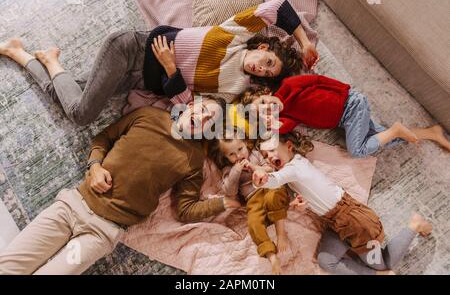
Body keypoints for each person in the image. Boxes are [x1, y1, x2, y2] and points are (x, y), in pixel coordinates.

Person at [0, 96, 241, 275]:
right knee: (8, 267)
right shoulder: (149, 115)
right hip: (72, 207)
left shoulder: (194, 160)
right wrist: (94, 166)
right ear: (190, 106)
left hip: (101, 232)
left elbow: (186, 209)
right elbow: (102, 139)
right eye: (202, 110)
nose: (202, 118)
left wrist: (223, 203)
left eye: (210, 120)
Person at [0, 0, 319, 125]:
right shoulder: (234, 34)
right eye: (265, 61)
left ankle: (24, 54)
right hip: (129, 49)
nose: (260, 68)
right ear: (262, 45)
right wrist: (303, 42)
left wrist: (171, 69)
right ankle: (51, 62)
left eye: (266, 72)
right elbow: (278, 6)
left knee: (67, 96)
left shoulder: (234, 87)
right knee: (83, 115)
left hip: (142, 80)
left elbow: (188, 103)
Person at [253, 132, 433, 275]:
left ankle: (414, 226)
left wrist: (262, 176)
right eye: (264, 155)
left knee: (383, 263)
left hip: (355, 222)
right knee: (325, 262)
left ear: (289, 146)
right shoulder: (296, 166)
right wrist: (304, 202)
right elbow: (317, 190)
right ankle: (379, 274)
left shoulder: (293, 169)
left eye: (271, 150)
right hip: (335, 223)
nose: (268, 157)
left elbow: (275, 180)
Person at [238, 75, 450, 157]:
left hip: (349, 103)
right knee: (378, 139)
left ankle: (396, 130)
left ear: (266, 94)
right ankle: (431, 133)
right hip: (345, 120)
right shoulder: (286, 115)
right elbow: (285, 127)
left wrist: (344, 90)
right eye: (263, 113)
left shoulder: (289, 86)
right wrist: (271, 123)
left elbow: (317, 80)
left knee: (357, 151)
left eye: (264, 104)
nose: (268, 109)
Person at [207, 136, 290, 274]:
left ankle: (280, 234)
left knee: (273, 198)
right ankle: (272, 257)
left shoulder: (256, 155)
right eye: (232, 154)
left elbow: (271, 168)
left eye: (240, 149)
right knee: (253, 224)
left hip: (270, 187)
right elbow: (230, 191)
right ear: (225, 157)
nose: (239, 156)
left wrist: (253, 167)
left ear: (245, 144)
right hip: (253, 200)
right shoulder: (229, 169)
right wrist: (236, 170)